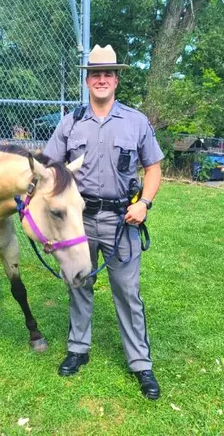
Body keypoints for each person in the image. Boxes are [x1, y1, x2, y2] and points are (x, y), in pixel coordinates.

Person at [43, 44, 164, 400]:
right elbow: (49, 169)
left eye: (108, 74)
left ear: (117, 80)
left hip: (122, 220)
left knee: (127, 292)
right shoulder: (71, 122)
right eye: (96, 73)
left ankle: (141, 363)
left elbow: (154, 168)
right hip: (79, 221)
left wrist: (144, 203)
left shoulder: (136, 122)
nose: (102, 79)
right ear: (87, 79)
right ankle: (78, 348)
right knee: (78, 282)